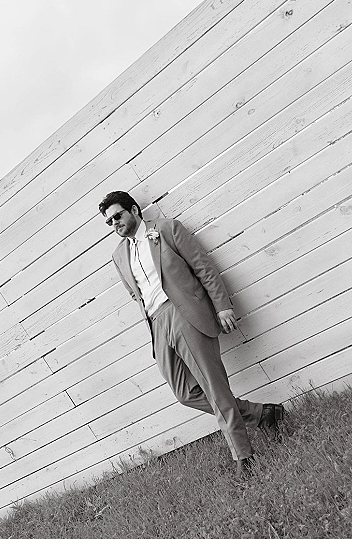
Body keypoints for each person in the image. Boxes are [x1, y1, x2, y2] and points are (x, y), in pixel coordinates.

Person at [98, 191, 285, 480]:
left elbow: (204, 268)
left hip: (185, 314)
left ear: (134, 210)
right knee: (186, 393)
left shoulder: (167, 229)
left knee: (214, 388)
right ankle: (261, 414)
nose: (115, 225)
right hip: (157, 324)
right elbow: (135, 294)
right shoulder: (118, 256)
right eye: (109, 222)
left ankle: (244, 456)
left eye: (118, 216)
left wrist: (222, 306)